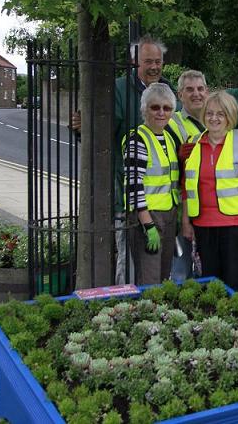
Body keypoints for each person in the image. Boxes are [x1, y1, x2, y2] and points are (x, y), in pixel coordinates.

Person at [72, 35, 174, 284]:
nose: (154, 66)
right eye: (147, 61)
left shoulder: (167, 91)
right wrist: (82, 129)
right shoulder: (117, 89)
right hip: (128, 198)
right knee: (129, 265)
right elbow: (100, 136)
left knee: (159, 271)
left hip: (165, 207)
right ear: (133, 61)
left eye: (158, 61)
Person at [180, 91, 238, 299]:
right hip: (203, 225)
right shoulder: (193, 143)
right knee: (210, 282)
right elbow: (186, 187)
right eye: (209, 113)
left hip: (235, 225)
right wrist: (185, 221)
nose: (214, 118)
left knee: (237, 282)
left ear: (230, 116)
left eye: (220, 114)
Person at [123, 83, 179, 285]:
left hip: (168, 215)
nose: (161, 113)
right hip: (148, 218)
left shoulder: (168, 138)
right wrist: (147, 224)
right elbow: (133, 186)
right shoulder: (138, 139)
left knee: (163, 278)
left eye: (167, 108)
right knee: (150, 281)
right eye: (155, 107)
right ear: (145, 109)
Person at [165, 70, 209, 283]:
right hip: (183, 208)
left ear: (207, 92)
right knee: (181, 271)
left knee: (206, 268)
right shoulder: (171, 123)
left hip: (209, 207)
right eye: (189, 90)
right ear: (179, 94)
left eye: (200, 89)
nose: (196, 94)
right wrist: (178, 156)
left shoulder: (215, 119)